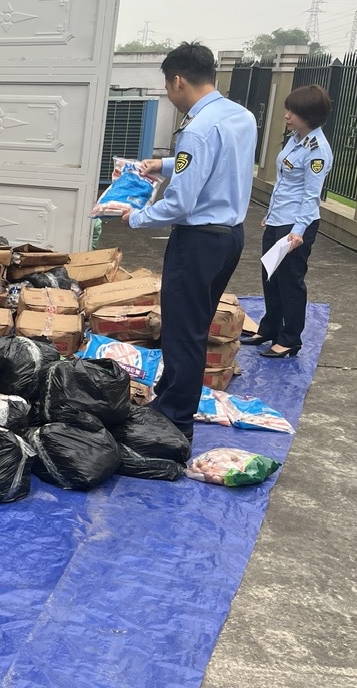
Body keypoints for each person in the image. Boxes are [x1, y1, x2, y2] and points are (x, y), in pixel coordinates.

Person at [118, 42, 257, 442]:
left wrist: (136, 217)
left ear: (177, 81)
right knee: (193, 324)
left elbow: (180, 203)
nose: (169, 94)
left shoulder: (196, 129)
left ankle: (175, 419)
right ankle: (170, 399)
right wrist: (161, 164)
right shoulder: (241, 116)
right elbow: (217, 164)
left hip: (197, 241)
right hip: (229, 237)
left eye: (167, 86)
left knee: (183, 331)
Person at [242, 84, 333, 358]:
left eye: (293, 111)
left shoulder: (317, 150)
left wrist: (297, 231)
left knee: (289, 282)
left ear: (310, 115)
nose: (287, 115)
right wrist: (271, 214)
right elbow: (284, 183)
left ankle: (290, 339)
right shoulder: (295, 139)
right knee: (270, 277)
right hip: (278, 219)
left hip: (296, 225)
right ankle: (269, 328)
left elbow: (310, 196)